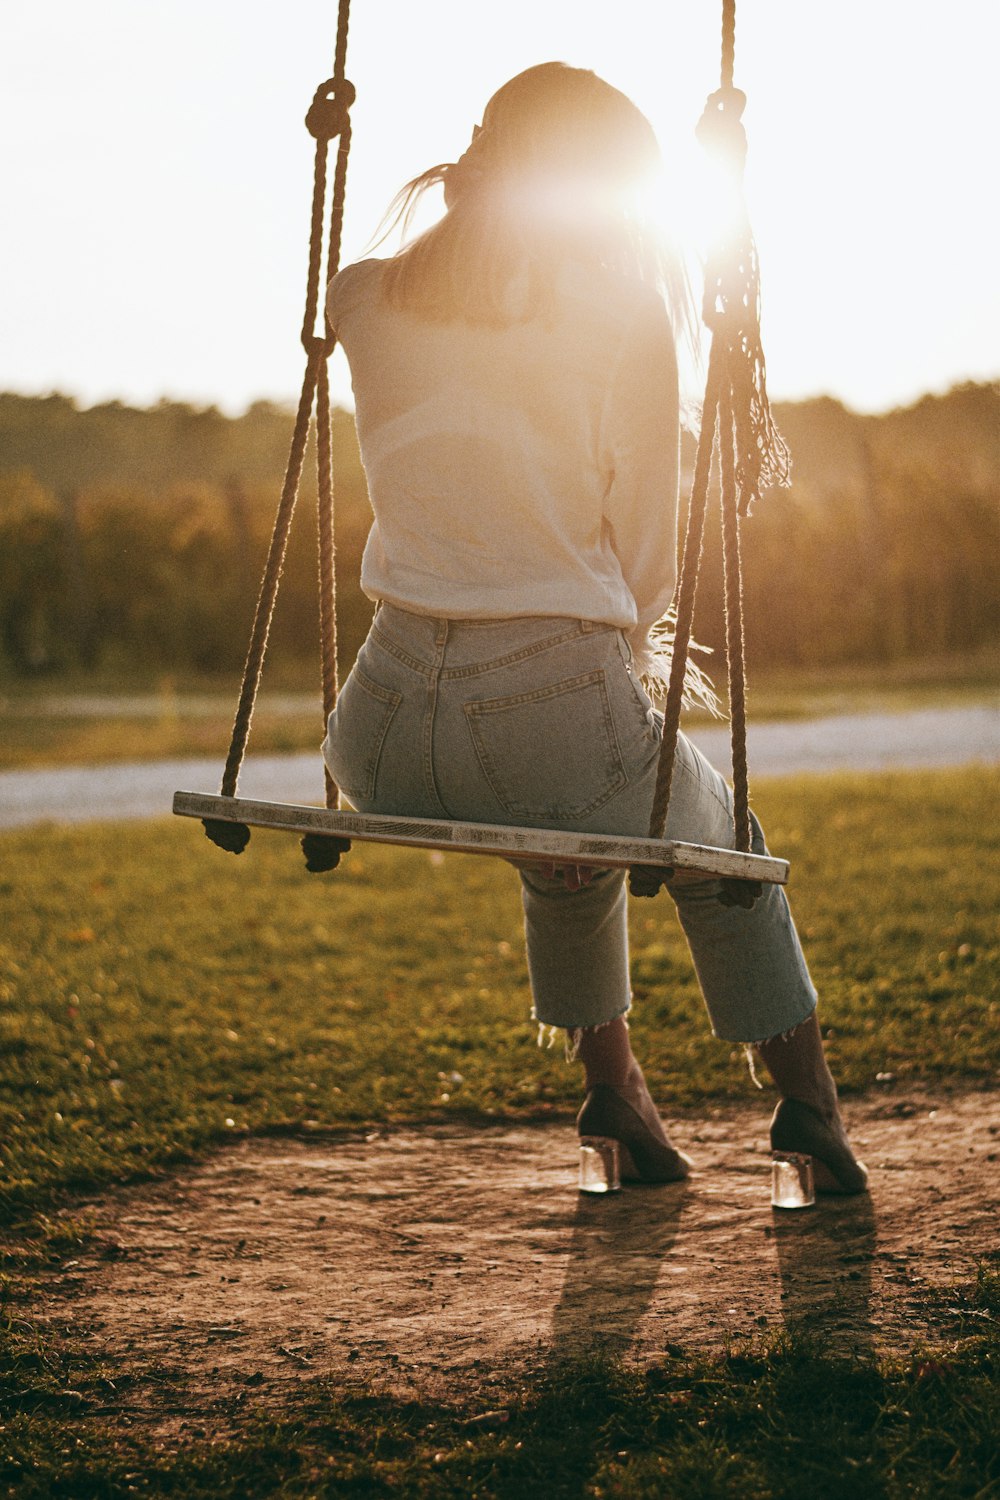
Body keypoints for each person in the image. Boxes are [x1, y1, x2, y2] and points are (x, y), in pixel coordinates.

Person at [323, 62, 867, 1193]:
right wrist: (593, 664)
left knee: (569, 845)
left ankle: (615, 1096)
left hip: (372, 734)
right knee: (727, 854)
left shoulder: (359, 293)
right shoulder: (620, 313)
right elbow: (649, 568)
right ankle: (810, 1113)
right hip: (549, 716)